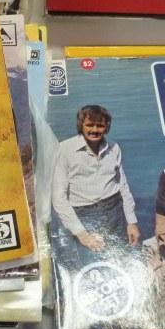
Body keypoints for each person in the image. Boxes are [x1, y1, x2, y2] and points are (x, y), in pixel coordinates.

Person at [51, 105, 139, 264]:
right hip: (84, 215)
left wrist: (132, 222)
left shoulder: (114, 148)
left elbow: (123, 186)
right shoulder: (64, 150)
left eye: (100, 125)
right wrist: (81, 233)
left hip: (115, 212)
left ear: (107, 127)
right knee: (92, 265)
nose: (95, 130)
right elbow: (59, 198)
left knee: (120, 261)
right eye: (90, 125)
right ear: (81, 125)